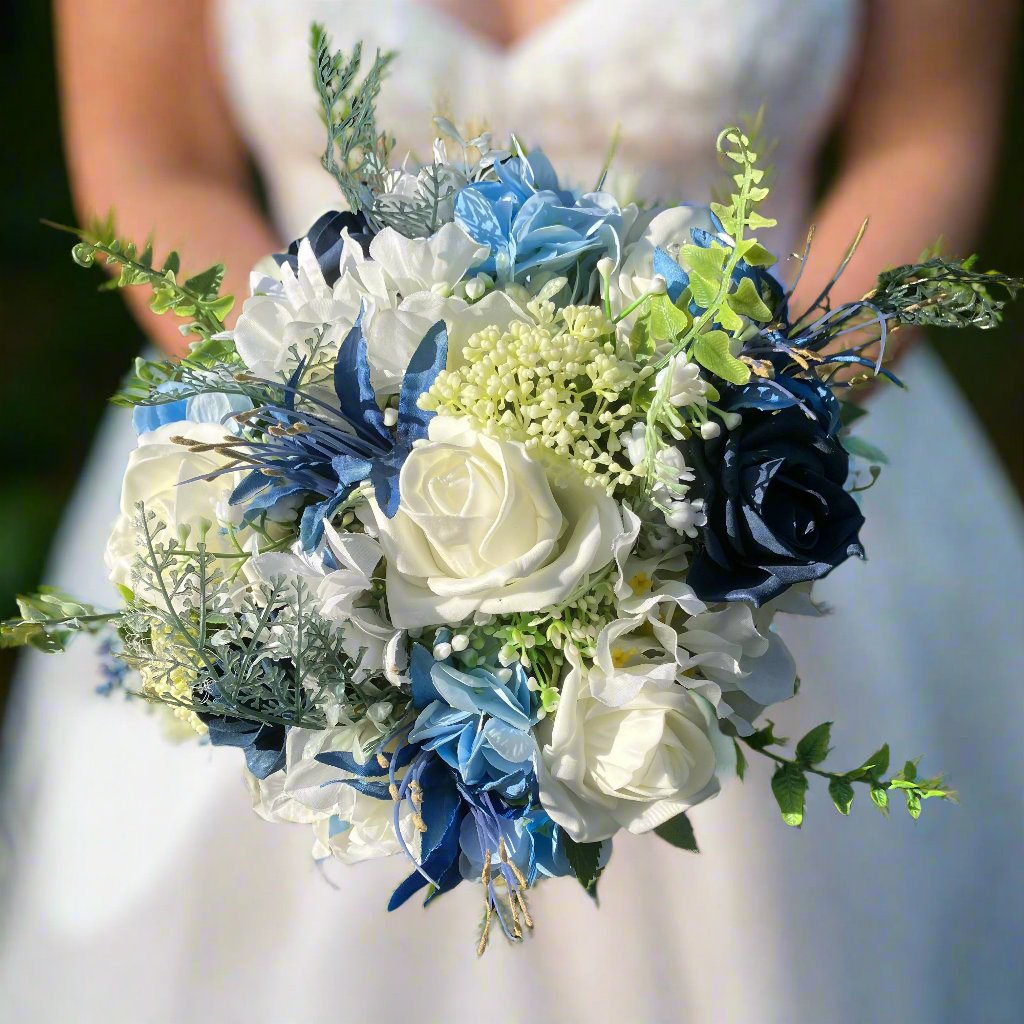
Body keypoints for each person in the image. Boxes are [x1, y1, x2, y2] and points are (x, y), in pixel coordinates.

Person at [1, 1, 1021, 1020]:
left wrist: (730, 433)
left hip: (770, 485)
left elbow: (921, 135)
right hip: (297, 497)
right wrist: (351, 448)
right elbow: (155, 164)